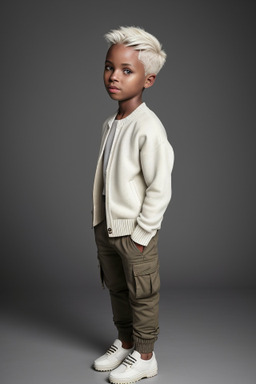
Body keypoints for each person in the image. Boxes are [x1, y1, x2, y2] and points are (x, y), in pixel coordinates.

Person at [92, 26, 174, 384]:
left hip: (134, 232)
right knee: (118, 288)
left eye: (127, 70)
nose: (114, 76)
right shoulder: (111, 122)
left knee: (142, 293)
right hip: (106, 227)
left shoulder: (148, 127)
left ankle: (145, 356)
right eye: (110, 67)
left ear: (148, 79)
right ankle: (125, 342)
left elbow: (160, 186)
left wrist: (143, 232)